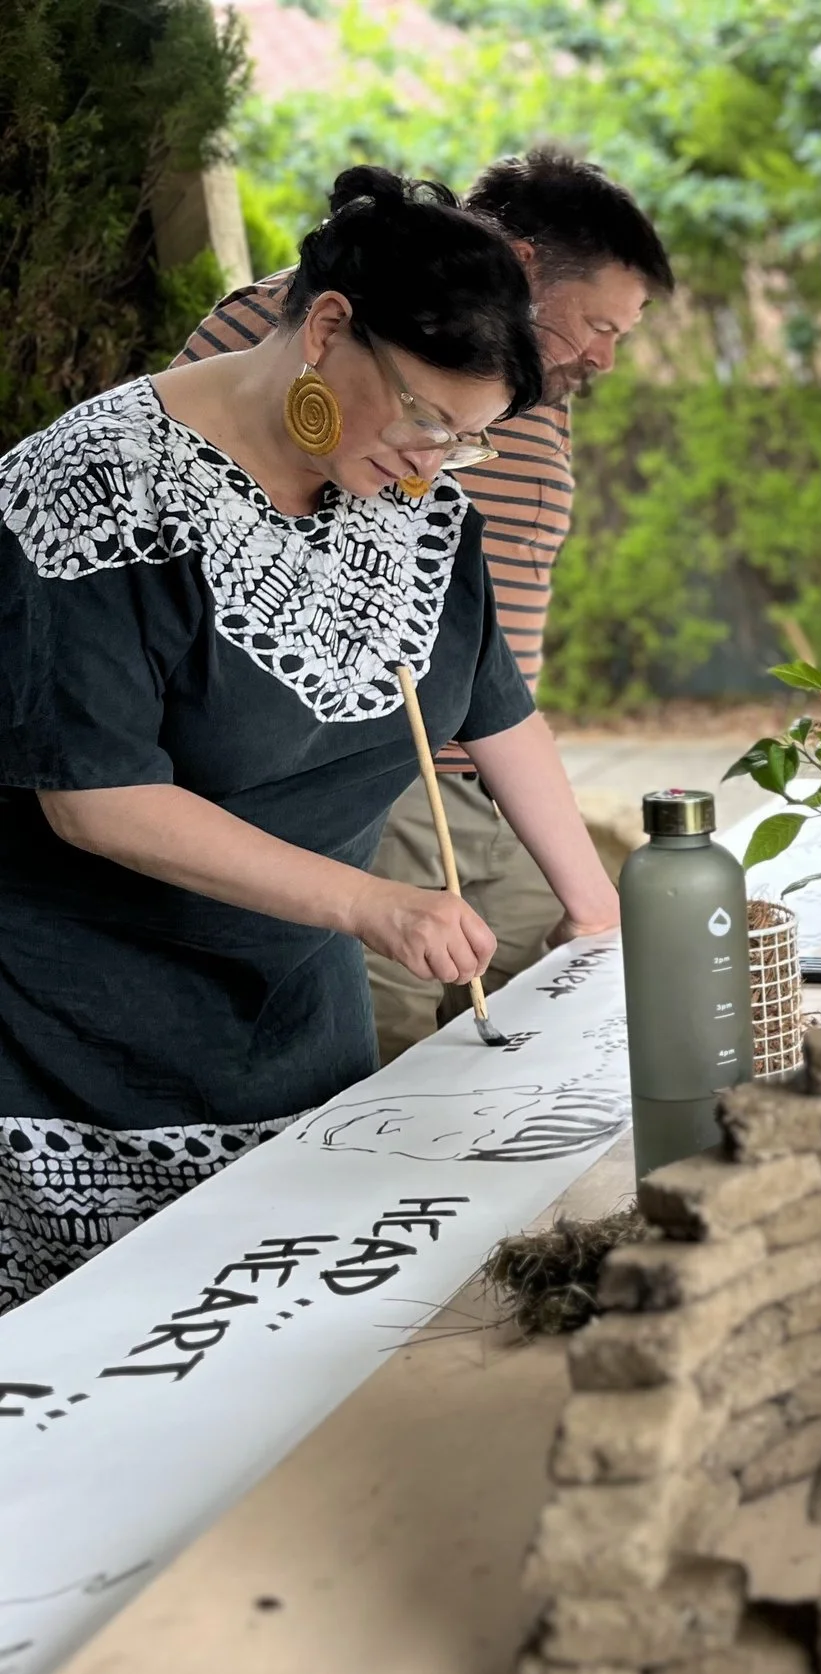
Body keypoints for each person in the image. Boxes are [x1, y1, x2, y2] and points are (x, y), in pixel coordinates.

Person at [0, 168, 620, 1309]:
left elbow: (494, 705)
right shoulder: (91, 488)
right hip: (84, 1045)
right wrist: (374, 904)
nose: (434, 462)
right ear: (328, 328)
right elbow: (96, 796)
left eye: (469, 442)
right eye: (427, 419)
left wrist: (596, 913)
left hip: (300, 1021)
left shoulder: (415, 501)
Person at [181, 147, 673, 1059]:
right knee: (386, 1060)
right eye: (599, 324)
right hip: (379, 771)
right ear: (523, 264)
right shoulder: (315, 331)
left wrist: (584, 886)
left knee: (565, 1016)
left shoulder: (529, 386)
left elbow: (482, 637)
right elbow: (201, 509)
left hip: (495, 765)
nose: (606, 356)